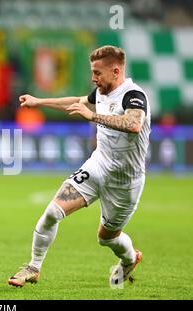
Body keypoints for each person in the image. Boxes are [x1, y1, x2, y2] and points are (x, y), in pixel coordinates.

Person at [8, 45, 150, 287]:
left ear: (116, 72)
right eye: (92, 72)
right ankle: (33, 267)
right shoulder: (101, 93)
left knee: (106, 239)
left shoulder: (133, 95)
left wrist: (92, 116)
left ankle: (129, 259)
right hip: (97, 166)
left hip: (125, 182)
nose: (93, 78)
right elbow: (77, 102)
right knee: (52, 212)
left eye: (97, 73)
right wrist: (39, 101)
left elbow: (133, 124)